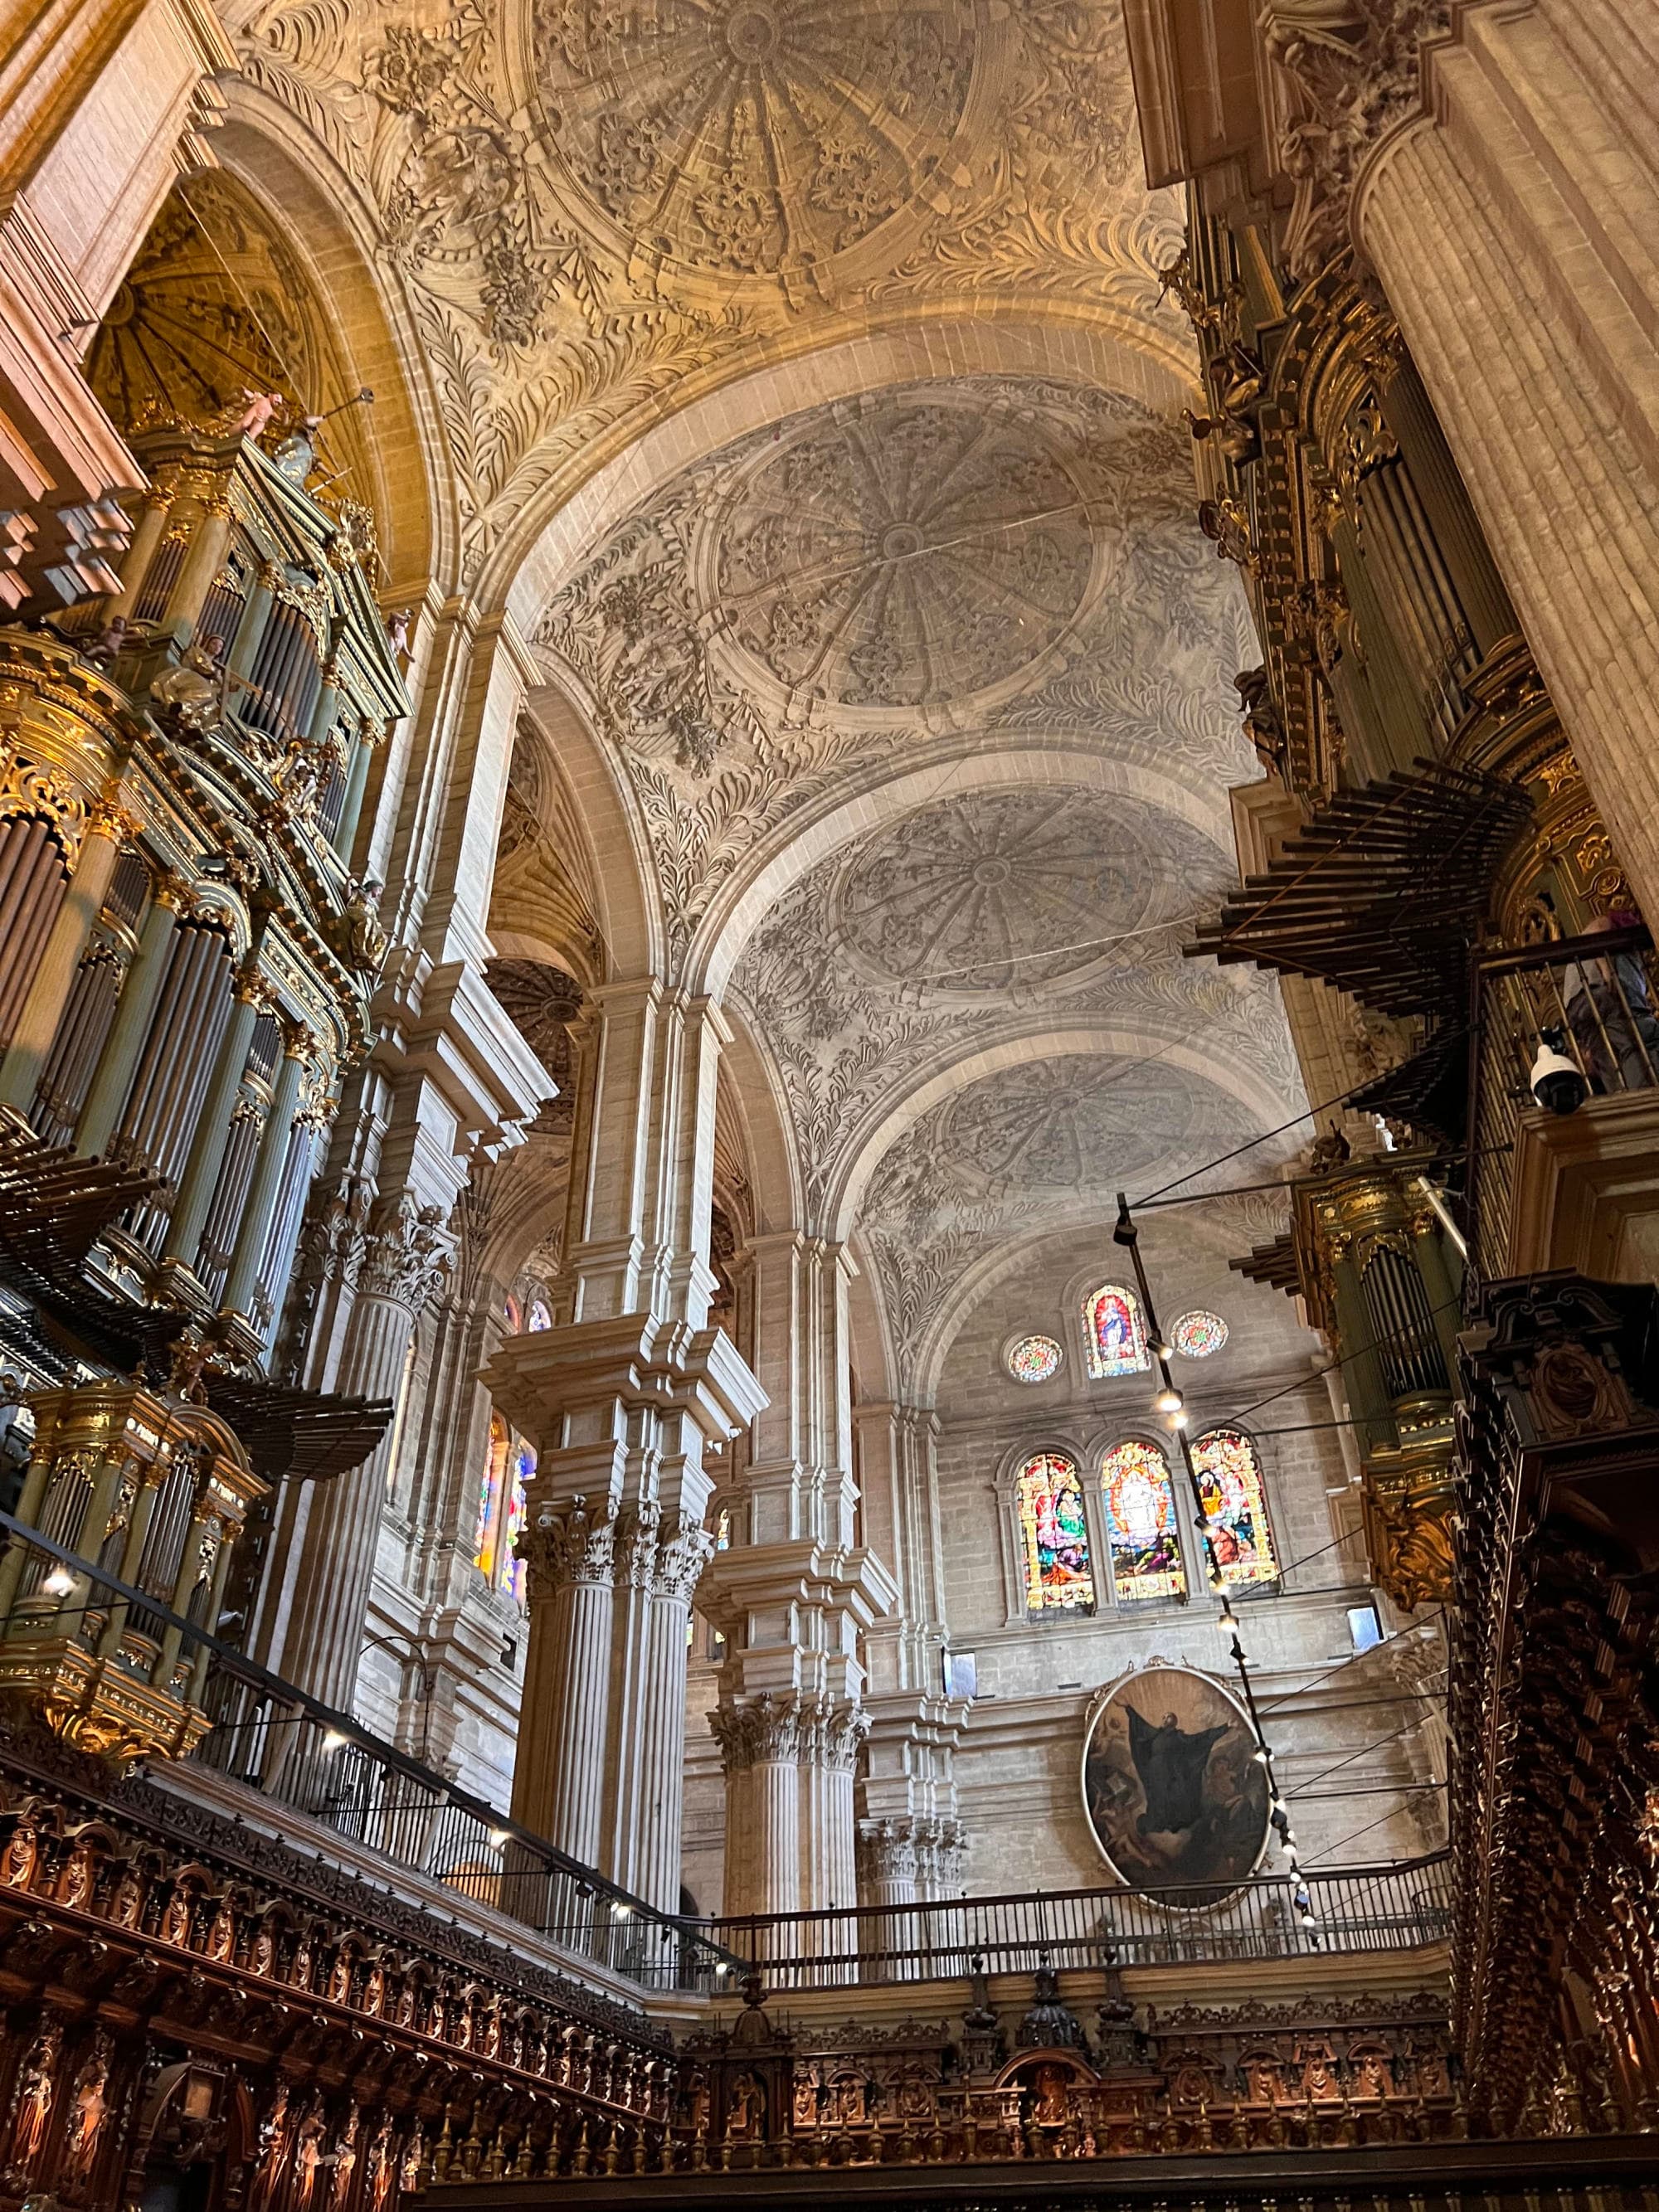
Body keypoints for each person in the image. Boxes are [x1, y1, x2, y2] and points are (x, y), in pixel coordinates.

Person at [1563, 910, 1659, 1091]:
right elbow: (1599, 928)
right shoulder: (1611, 923)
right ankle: (1644, 1092)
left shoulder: (1578, 952)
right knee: (1631, 1043)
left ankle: (1622, 1097)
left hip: (1577, 1006)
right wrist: (1606, 970)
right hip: (1599, 992)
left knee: (1605, 1056)